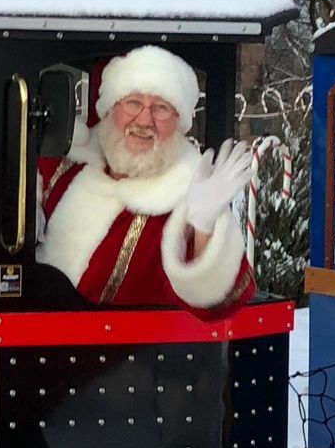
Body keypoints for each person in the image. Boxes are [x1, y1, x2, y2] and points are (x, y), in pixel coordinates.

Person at [38, 45, 254, 314]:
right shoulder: (68, 166)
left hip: (124, 353)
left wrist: (205, 228)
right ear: (110, 108)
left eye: (161, 108)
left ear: (179, 122)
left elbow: (222, 305)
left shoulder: (189, 193)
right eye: (133, 103)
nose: (144, 119)